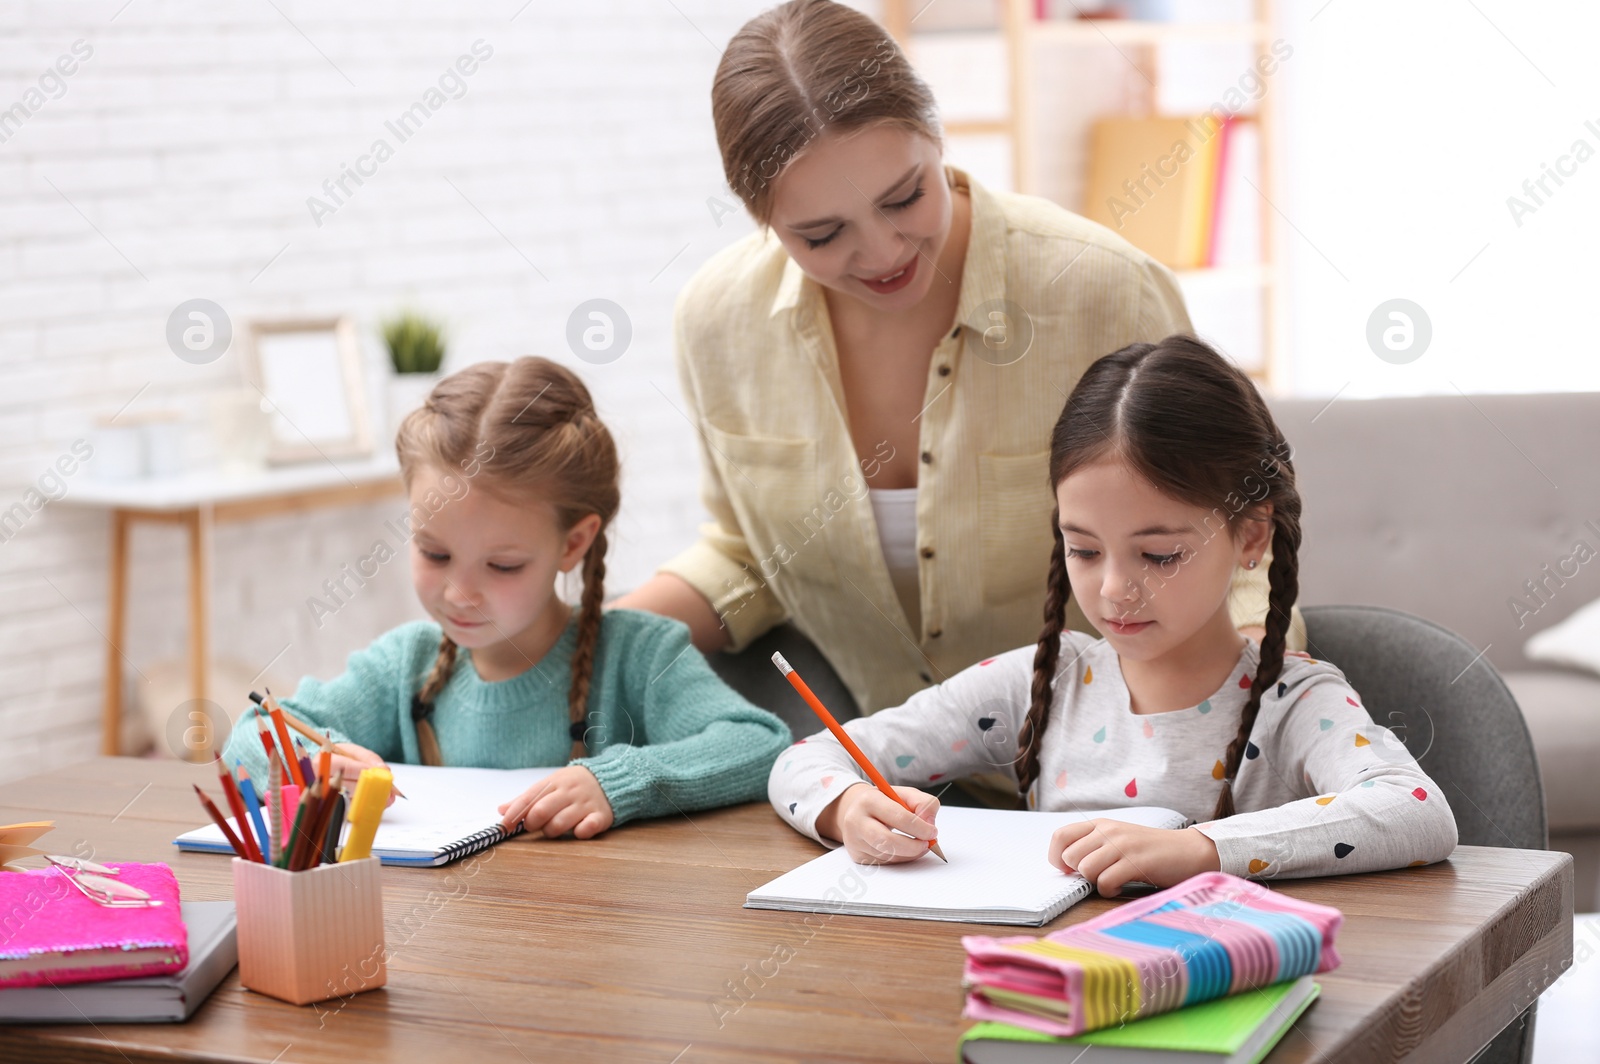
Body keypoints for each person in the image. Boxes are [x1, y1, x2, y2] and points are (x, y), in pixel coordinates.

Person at [615, 0, 1303, 733]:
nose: (882, 253)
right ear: (760, 220)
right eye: (822, 234)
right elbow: (753, 558)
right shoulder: (720, 322)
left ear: (937, 135)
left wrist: (1249, 724)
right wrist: (587, 643)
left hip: (1121, 770)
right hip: (894, 782)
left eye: (906, 195)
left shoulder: (1102, 290)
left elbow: (1234, 535)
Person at [769, 335, 1458, 894]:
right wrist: (847, 810)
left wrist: (1199, 850)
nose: (1113, 590)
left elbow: (1417, 814)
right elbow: (808, 756)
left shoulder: (1297, 703)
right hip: (1047, 997)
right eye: (1084, 549)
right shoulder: (1037, 683)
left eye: (1159, 556)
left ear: (1251, 535)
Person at [220, 357, 790, 839]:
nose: (459, 592)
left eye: (503, 565)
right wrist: (314, 761)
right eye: (434, 553)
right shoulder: (404, 666)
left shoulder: (639, 655)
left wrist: (621, 783)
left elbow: (760, 742)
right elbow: (250, 733)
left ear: (574, 543)